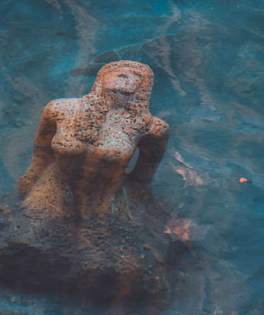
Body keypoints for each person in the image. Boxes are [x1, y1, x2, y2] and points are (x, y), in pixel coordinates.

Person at [16, 61, 169, 222]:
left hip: (107, 200)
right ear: (102, 76)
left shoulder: (152, 128)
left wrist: (138, 203)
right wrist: (30, 179)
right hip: (54, 191)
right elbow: (41, 154)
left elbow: (143, 177)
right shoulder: (59, 109)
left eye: (135, 75)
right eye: (120, 72)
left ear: (143, 86)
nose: (126, 77)